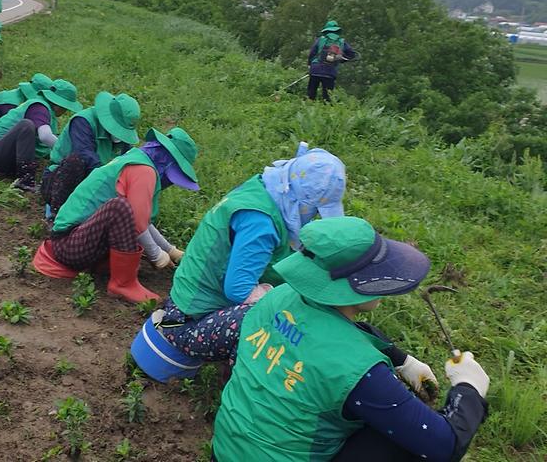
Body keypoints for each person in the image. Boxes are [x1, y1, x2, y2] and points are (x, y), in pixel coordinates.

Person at [212, 216, 490, 462]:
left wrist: (402, 360)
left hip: (227, 449)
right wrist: (469, 389)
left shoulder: (277, 297)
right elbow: (444, 445)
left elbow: (329, 331)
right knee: (403, 438)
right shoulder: (358, 372)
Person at [160, 144, 346, 364]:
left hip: (186, 303)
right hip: (187, 322)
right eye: (314, 210)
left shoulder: (264, 189)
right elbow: (239, 290)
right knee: (278, 319)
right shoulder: (260, 224)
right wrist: (284, 299)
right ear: (301, 202)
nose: (313, 216)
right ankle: (240, 379)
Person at [31, 127, 199, 303]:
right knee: (119, 207)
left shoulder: (135, 160)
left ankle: (114, 272)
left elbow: (142, 220)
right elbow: (137, 221)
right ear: (169, 163)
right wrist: (156, 255)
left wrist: (170, 250)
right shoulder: (143, 170)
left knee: (125, 210)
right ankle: (123, 284)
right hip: (68, 245)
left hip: (78, 240)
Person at [41, 91, 141, 217]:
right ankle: (56, 213)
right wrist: (108, 180)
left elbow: (126, 162)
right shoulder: (83, 121)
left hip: (94, 185)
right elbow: (85, 154)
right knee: (76, 161)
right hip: (61, 181)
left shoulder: (123, 140)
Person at [0, 79, 82, 190]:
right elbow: (45, 136)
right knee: (26, 125)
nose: (65, 110)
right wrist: (68, 152)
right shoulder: (39, 108)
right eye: (65, 107)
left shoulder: (47, 111)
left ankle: (21, 175)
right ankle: (25, 179)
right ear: (58, 104)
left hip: (3, 156)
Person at [307, 20, 357, 103]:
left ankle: (308, 107)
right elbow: (352, 55)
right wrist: (340, 59)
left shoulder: (320, 40)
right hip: (330, 72)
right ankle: (326, 109)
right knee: (327, 97)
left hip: (315, 70)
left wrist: (309, 64)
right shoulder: (342, 42)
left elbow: (312, 53)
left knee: (311, 94)